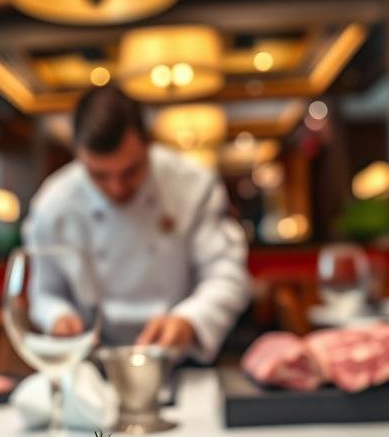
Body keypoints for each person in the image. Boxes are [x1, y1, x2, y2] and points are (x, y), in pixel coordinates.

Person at [22, 85, 250, 362]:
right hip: (90, 359)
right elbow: (45, 293)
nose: (116, 188)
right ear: (78, 155)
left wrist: (190, 319)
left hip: (179, 357)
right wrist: (59, 317)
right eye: (99, 175)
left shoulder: (193, 186)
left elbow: (226, 275)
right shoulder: (53, 204)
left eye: (130, 171)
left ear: (149, 144)